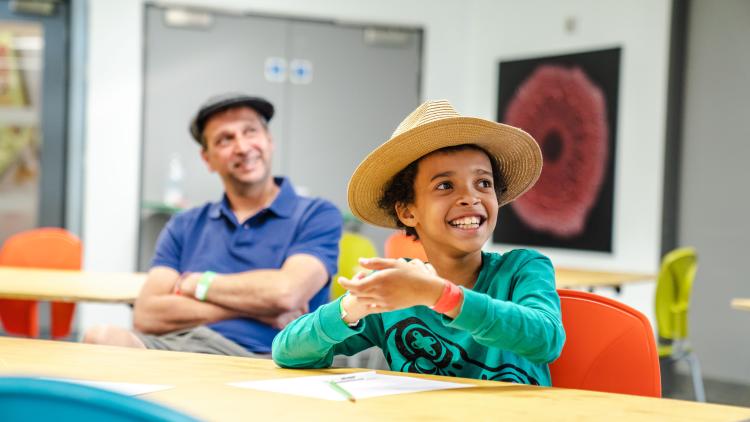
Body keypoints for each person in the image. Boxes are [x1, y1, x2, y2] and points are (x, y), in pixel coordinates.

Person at [272, 99, 564, 385]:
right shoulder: (397, 289)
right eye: (445, 185)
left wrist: (443, 296)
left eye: (483, 183)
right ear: (407, 211)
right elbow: (287, 352)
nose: (471, 197)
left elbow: (545, 340)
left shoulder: (523, 268)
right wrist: (352, 307)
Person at [84, 93, 342, 357]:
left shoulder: (317, 214)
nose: (242, 147)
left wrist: (199, 285)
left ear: (269, 140)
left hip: (269, 358)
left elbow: (286, 293)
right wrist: (255, 306)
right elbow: (147, 314)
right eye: (225, 139)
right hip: (179, 348)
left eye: (250, 131)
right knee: (100, 338)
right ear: (207, 159)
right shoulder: (184, 225)